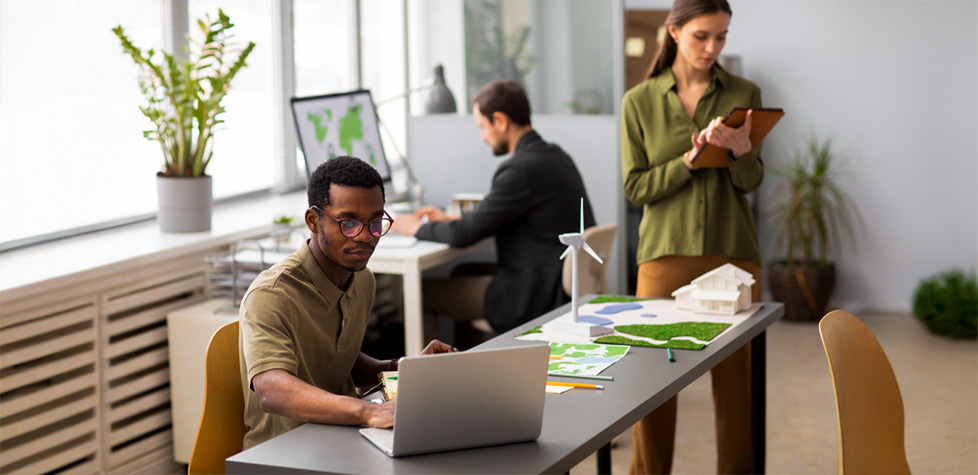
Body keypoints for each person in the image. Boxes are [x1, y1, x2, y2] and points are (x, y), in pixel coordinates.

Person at [619, 0, 764, 473]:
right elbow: (636, 187)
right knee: (653, 383)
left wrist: (741, 150)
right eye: (702, 36)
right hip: (664, 256)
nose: (712, 47)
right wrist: (688, 160)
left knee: (736, 392)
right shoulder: (638, 101)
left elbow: (751, 181)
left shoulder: (744, 92)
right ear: (675, 31)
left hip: (733, 254)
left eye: (721, 37)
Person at [239, 156, 456, 450]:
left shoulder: (363, 280)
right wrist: (368, 411)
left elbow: (341, 361)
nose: (366, 236)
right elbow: (271, 390)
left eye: (376, 222)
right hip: (286, 451)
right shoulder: (272, 294)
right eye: (349, 223)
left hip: (344, 437)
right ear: (313, 221)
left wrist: (405, 368)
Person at [392, 80, 596, 342]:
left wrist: (414, 227)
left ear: (500, 121)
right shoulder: (555, 156)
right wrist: (451, 218)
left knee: (420, 294)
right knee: (461, 272)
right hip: (556, 283)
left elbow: (464, 234)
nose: (482, 136)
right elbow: (496, 214)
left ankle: (432, 382)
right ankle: (467, 369)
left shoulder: (520, 170)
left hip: (535, 296)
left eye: (482, 127)